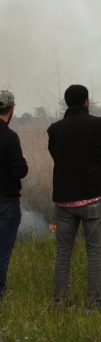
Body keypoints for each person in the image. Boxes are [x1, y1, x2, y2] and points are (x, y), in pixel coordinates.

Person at [48, 85, 101, 307]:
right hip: (93, 197)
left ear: (67, 103)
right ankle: (94, 302)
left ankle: (59, 301)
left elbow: (56, 156)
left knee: (63, 254)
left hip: (64, 200)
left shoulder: (54, 129)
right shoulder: (98, 125)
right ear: (86, 102)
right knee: (94, 253)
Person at [0, 91, 28, 299]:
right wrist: (23, 161)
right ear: (12, 109)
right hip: (6, 203)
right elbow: (20, 171)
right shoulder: (10, 137)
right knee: (2, 252)